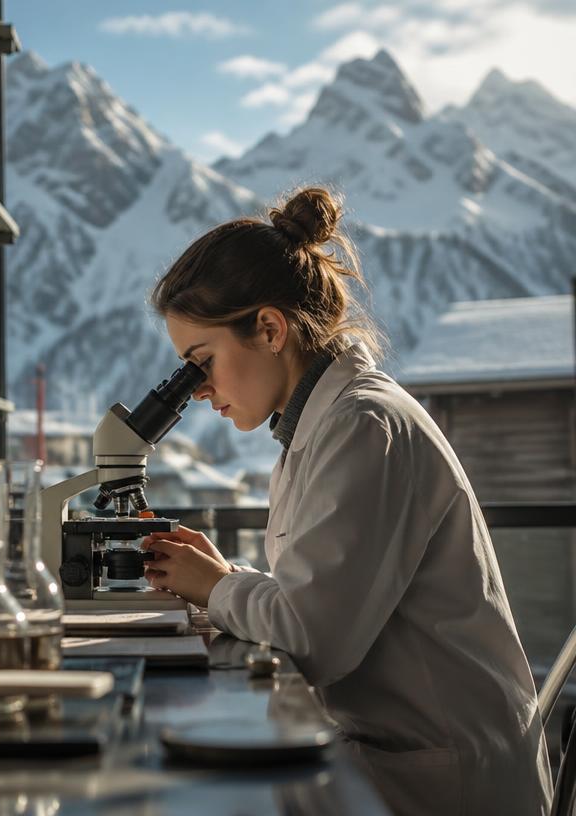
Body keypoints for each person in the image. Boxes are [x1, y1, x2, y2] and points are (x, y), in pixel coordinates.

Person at [142, 186, 553, 816]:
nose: (196, 391)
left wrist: (219, 589)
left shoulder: (364, 426)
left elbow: (315, 638)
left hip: (445, 781)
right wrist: (223, 579)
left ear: (270, 328)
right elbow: (321, 597)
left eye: (202, 363)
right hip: (398, 754)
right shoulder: (320, 425)